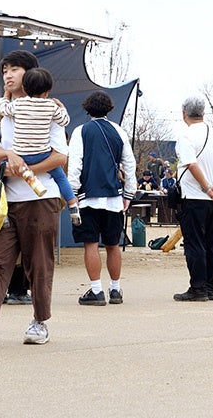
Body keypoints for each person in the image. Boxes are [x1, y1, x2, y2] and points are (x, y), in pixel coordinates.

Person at [0, 50, 68, 346]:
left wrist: (26, 170)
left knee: (40, 263)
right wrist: (10, 157)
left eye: (15, 69)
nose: (7, 75)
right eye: (5, 69)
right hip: (3, 199)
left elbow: (60, 156)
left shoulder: (50, 108)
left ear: (31, 74)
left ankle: (39, 322)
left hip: (41, 199)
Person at [67, 91, 137, 306]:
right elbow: (130, 164)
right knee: (113, 244)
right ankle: (115, 289)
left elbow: (75, 164)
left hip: (88, 197)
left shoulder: (81, 131)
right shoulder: (119, 131)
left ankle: (96, 290)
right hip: (114, 198)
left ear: (87, 109)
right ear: (109, 109)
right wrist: (129, 193)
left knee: (90, 244)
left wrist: (72, 193)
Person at [0, 67, 79, 224]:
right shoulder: (51, 106)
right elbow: (65, 121)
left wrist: (7, 94)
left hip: (20, 156)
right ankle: (73, 205)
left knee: (2, 177)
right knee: (61, 176)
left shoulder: (19, 104)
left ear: (24, 88)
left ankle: (3, 212)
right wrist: (61, 107)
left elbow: (4, 109)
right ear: (47, 91)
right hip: (43, 154)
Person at [173, 96, 213, 302]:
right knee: (212, 243)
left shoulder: (186, 136)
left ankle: (197, 287)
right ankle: (212, 286)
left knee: (194, 243)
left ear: (184, 114)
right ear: (203, 113)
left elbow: (191, 164)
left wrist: (206, 187)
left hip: (194, 196)